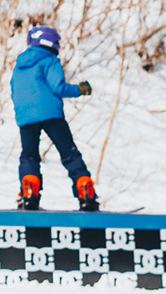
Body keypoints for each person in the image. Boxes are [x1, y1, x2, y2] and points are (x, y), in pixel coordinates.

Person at [10, 24, 99, 211]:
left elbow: (15, 91)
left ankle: (29, 194)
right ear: (48, 42)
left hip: (26, 117)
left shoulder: (19, 65)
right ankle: (85, 192)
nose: (58, 47)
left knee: (29, 156)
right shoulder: (49, 60)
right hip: (51, 114)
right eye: (57, 42)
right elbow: (58, 87)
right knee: (68, 152)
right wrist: (80, 90)